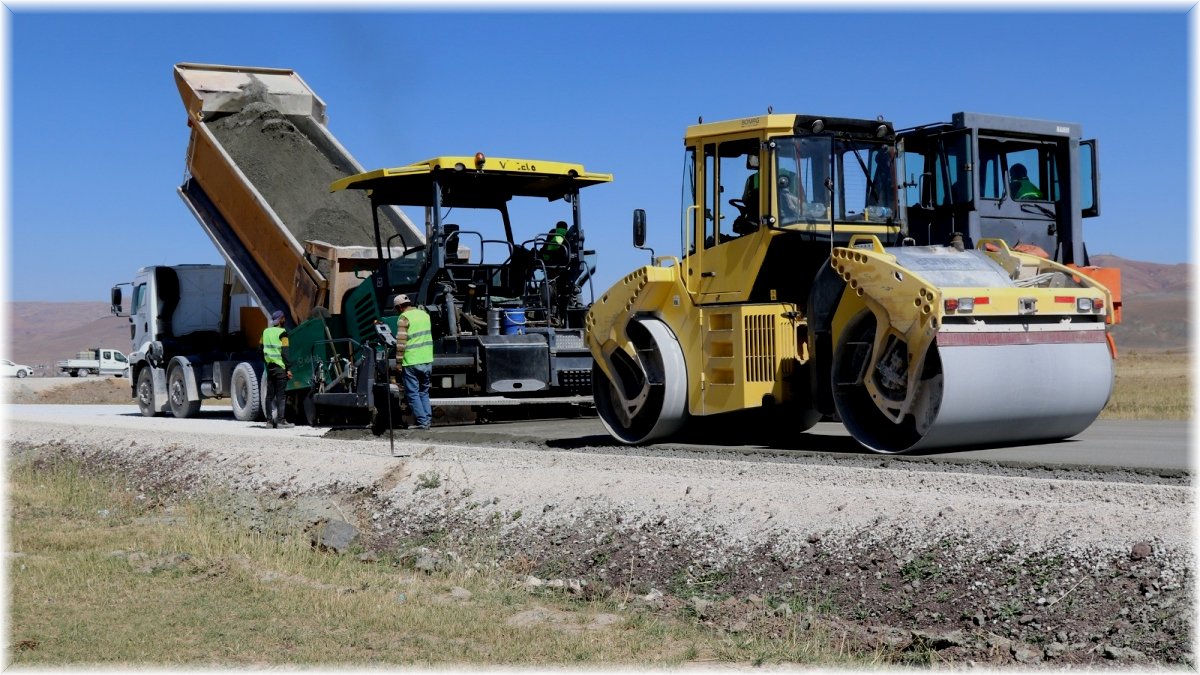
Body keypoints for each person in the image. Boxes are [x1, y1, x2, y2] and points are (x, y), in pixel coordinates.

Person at [394, 294, 434, 430]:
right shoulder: (424, 315)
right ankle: (427, 420)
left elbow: (401, 343)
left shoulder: (404, 318)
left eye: (396, 309)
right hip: (427, 359)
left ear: (400, 307)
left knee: (413, 393)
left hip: (411, 361)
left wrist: (398, 363)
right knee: (424, 392)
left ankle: (422, 422)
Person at [261, 309, 292, 429]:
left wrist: (266, 362)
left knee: (269, 396)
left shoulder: (265, 332)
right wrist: (288, 369)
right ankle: (280, 421)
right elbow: (285, 353)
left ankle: (269, 422)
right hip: (280, 368)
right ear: (282, 319)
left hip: (270, 368)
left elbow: (260, 349)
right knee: (281, 396)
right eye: (284, 318)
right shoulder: (283, 333)